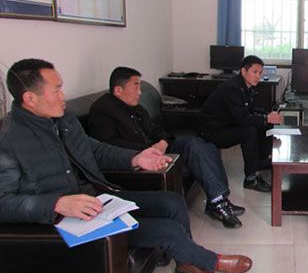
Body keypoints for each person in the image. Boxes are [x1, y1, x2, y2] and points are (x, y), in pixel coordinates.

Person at [0, 59, 253, 273]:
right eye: (56, 90)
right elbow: (3, 203)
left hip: (97, 198)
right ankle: (210, 260)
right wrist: (57, 203)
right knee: (168, 229)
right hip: (66, 219)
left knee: (173, 202)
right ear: (30, 98)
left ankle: (186, 261)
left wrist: (135, 158)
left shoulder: (62, 120)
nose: (62, 95)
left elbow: (94, 149)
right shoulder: (9, 141)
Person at [87, 67, 244, 229]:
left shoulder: (136, 108)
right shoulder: (103, 110)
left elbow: (155, 129)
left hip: (158, 151)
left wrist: (163, 141)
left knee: (205, 145)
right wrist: (145, 150)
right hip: (141, 162)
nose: (140, 92)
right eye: (136, 86)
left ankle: (220, 199)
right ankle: (218, 203)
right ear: (118, 90)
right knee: (196, 149)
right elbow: (108, 146)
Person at [197, 55, 282, 193]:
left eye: (260, 73)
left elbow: (249, 110)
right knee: (249, 131)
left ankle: (261, 162)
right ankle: (250, 179)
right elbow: (243, 118)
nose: (258, 76)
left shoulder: (245, 86)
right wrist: (266, 118)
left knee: (263, 123)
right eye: (255, 72)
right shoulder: (232, 88)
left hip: (227, 124)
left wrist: (267, 115)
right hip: (212, 131)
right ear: (243, 71)